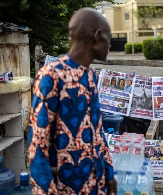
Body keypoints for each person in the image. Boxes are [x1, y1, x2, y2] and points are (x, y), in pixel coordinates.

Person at [27, 8, 117, 195]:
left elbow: (97, 131)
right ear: (97, 36)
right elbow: (37, 147)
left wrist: (108, 173)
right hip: (63, 189)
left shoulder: (90, 75)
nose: (110, 44)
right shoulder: (51, 75)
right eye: (109, 37)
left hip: (95, 187)